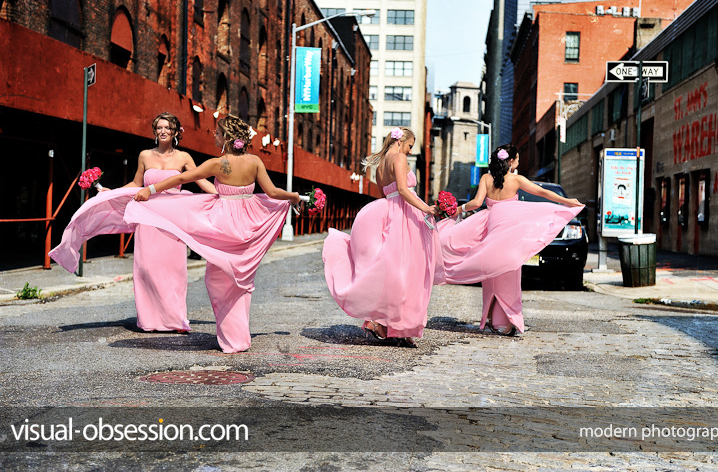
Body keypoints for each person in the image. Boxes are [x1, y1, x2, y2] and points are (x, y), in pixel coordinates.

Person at [125, 115, 300, 353]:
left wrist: (151, 189)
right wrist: (295, 197)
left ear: (227, 139)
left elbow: (182, 178)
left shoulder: (217, 164)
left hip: (223, 227)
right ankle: (239, 337)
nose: (214, 137)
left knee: (217, 281)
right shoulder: (255, 162)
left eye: (217, 134)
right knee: (241, 282)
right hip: (247, 227)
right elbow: (273, 192)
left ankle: (231, 337)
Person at [49, 112, 216, 333]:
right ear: (155, 131)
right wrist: (113, 191)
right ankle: (150, 320)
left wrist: (226, 197)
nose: (163, 131)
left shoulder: (184, 158)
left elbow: (201, 180)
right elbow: (137, 183)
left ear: (175, 132)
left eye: (167, 127)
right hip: (146, 217)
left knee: (174, 270)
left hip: (173, 220)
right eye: (159, 128)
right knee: (146, 267)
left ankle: (175, 320)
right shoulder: (145, 155)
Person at [437, 144, 584, 336]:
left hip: (490, 234)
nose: (518, 163)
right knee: (510, 279)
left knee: (490, 278)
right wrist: (567, 202)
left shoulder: (486, 178)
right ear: (511, 161)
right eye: (518, 160)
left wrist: (457, 210)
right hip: (509, 238)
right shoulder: (516, 180)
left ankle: (490, 319)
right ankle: (508, 322)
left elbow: (475, 203)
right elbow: (543, 193)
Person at [322, 127, 439, 348]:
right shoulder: (399, 158)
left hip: (390, 215)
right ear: (401, 142)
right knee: (409, 272)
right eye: (410, 145)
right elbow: (404, 191)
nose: (410, 150)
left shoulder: (380, 164)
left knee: (393, 272)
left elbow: (385, 194)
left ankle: (388, 324)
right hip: (405, 216)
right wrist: (427, 208)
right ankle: (398, 326)